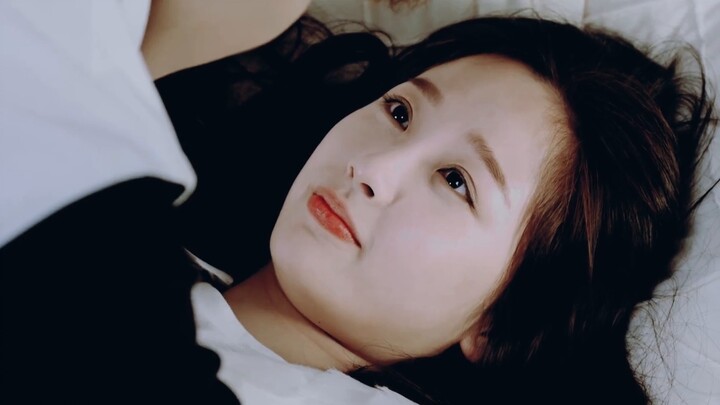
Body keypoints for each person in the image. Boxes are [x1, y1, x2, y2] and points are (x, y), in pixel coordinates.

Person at [155, 12, 719, 405]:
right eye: (399, 113)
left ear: (501, 323)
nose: (373, 168)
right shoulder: (136, 232)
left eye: (456, 182)